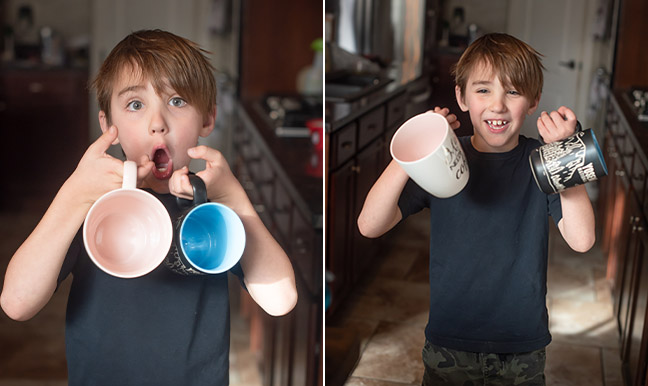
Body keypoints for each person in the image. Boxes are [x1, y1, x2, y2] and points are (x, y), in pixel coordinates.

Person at [0, 29, 297, 385]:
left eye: (177, 101)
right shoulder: (92, 204)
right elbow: (17, 303)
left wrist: (233, 197)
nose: (158, 123)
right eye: (135, 105)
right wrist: (74, 194)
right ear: (108, 126)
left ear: (207, 119)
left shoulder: (210, 208)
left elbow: (281, 299)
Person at [357, 33, 595, 385]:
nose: (497, 105)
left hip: (522, 346)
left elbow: (582, 240)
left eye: (512, 91)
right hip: (449, 341)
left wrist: (564, 157)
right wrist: (412, 151)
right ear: (461, 96)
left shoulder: (540, 163)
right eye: (483, 90)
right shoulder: (442, 161)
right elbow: (369, 224)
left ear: (533, 101)